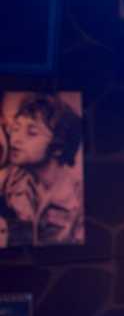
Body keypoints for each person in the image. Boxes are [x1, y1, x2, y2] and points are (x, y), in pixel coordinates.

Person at [0, 96, 83, 246]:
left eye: (31, 133)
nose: (15, 139)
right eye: (16, 128)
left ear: (58, 147)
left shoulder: (79, 200)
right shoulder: (13, 178)